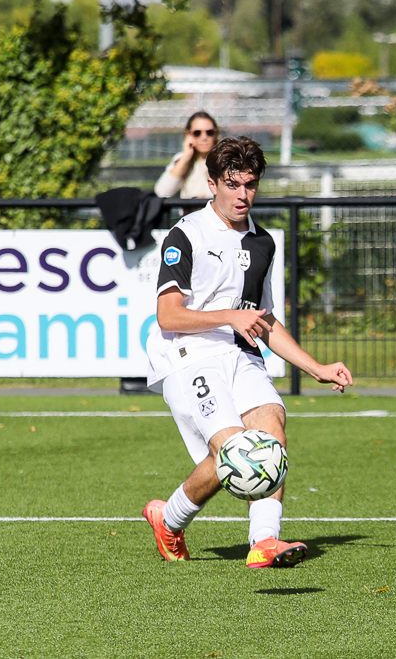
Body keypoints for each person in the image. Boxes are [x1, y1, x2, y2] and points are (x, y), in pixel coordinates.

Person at [143, 136, 354, 568]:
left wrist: (316, 367)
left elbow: (266, 320)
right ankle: (171, 519)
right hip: (189, 354)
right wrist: (230, 317)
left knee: (271, 431)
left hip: (242, 353)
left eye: (251, 185)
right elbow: (168, 316)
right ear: (212, 183)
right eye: (233, 184)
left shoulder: (263, 243)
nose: (243, 195)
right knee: (233, 453)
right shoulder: (186, 234)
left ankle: (263, 542)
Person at [154, 112, 219, 200]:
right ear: (187, 134)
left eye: (209, 132)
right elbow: (162, 192)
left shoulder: (224, 160)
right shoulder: (181, 159)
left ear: (216, 133)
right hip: (189, 213)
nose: (204, 137)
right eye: (197, 133)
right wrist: (186, 157)